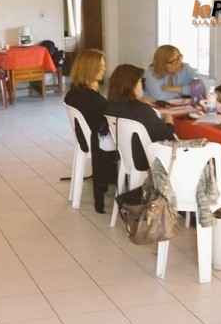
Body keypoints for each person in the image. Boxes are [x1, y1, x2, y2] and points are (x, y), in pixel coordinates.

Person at [64, 49, 116, 213]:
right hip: (97, 140)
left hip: (87, 137)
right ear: (90, 69)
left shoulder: (76, 90)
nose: (105, 68)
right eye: (101, 65)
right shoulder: (90, 97)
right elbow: (109, 114)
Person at [106, 64, 175, 172]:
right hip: (147, 159)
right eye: (139, 81)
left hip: (126, 156)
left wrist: (139, 101)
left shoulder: (110, 107)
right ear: (131, 85)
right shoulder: (143, 111)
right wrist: (169, 121)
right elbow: (166, 136)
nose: (142, 85)